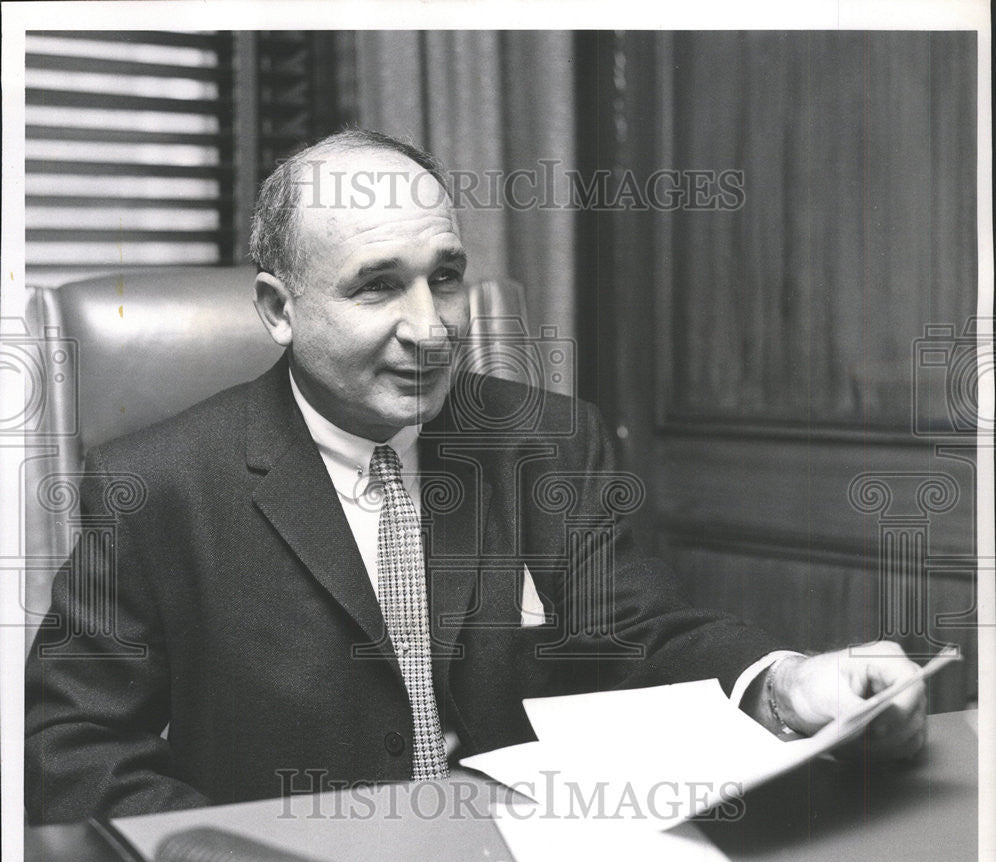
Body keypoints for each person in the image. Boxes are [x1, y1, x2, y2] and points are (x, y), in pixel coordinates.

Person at [24, 128, 926, 825]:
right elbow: (72, 752)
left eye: (445, 277)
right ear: (277, 310)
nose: (432, 326)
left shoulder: (549, 442)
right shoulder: (156, 485)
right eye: (378, 287)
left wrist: (782, 681)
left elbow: (638, 639)